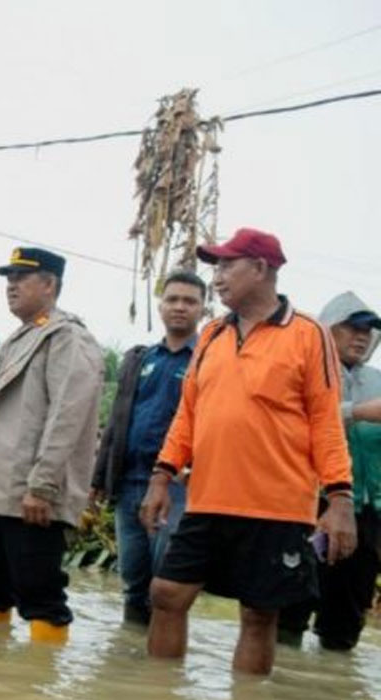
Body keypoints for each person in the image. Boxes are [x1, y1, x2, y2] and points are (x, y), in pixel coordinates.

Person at [142, 228, 356, 675]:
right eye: (216, 266)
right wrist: (162, 476)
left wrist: (339, 500)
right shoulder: (213, 335)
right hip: (206, 498)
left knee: (259, 615)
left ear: (260, 269)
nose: (216, 277)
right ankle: (158, 689)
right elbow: (188, 414)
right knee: (166, 594)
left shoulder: (308, 333)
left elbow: (326, 422)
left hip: (277, 506)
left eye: (226, 265)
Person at [0, 247, 104, 644]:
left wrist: (43, 486)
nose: (11, 286)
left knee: (41, 597)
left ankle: (39, 682)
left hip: (30, 498)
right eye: (8, 278)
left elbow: (66, 418)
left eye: (22, 277)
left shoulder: (67, 337)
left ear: (50, 284)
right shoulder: (17, 339)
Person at [91, 270, 205, 625]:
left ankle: (162, 669)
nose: (180, 307)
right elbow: (115, 422)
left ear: (203, 309)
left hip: (179, 488)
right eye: (172, 299)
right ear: (160, 305)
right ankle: (130, 664)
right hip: (129, 484)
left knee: (166, 585)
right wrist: (99, 479)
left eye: (190, 301)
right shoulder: (140, 359)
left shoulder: (207, 360)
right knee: (133, 583)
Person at [278, 291, 381, 651]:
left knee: (346, 619)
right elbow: (295, 422)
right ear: (326, 329)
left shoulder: (378, 379)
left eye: (369, 330)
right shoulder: (303, 369)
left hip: (366, 514)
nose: (362, 336)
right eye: (352, 327)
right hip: (309, 506)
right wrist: (357, 411)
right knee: (288, 610)